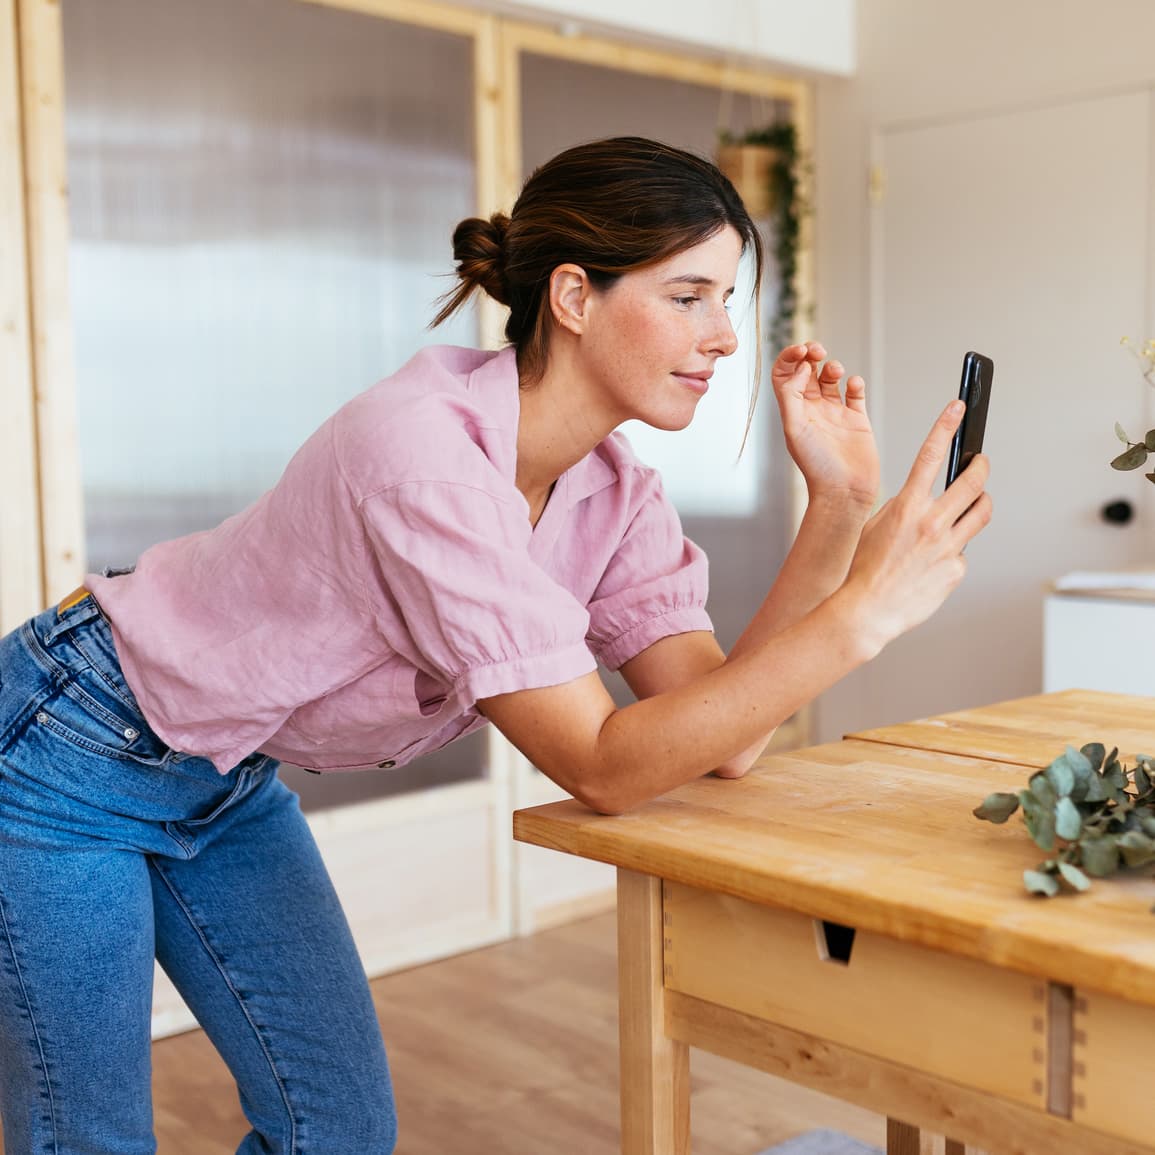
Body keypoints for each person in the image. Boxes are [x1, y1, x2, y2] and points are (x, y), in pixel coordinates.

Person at [0, 136, 991, 1154]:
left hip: (221, 770)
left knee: (334, 1131)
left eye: (729, 301)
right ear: (573, 295)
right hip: (70, 742)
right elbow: (604, 766)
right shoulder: (423, 455)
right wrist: (863, 612)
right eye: (690, 296)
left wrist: (838, 510)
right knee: (88, 1141)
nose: (726, 338)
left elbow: (721, 733)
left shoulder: (614, 491)